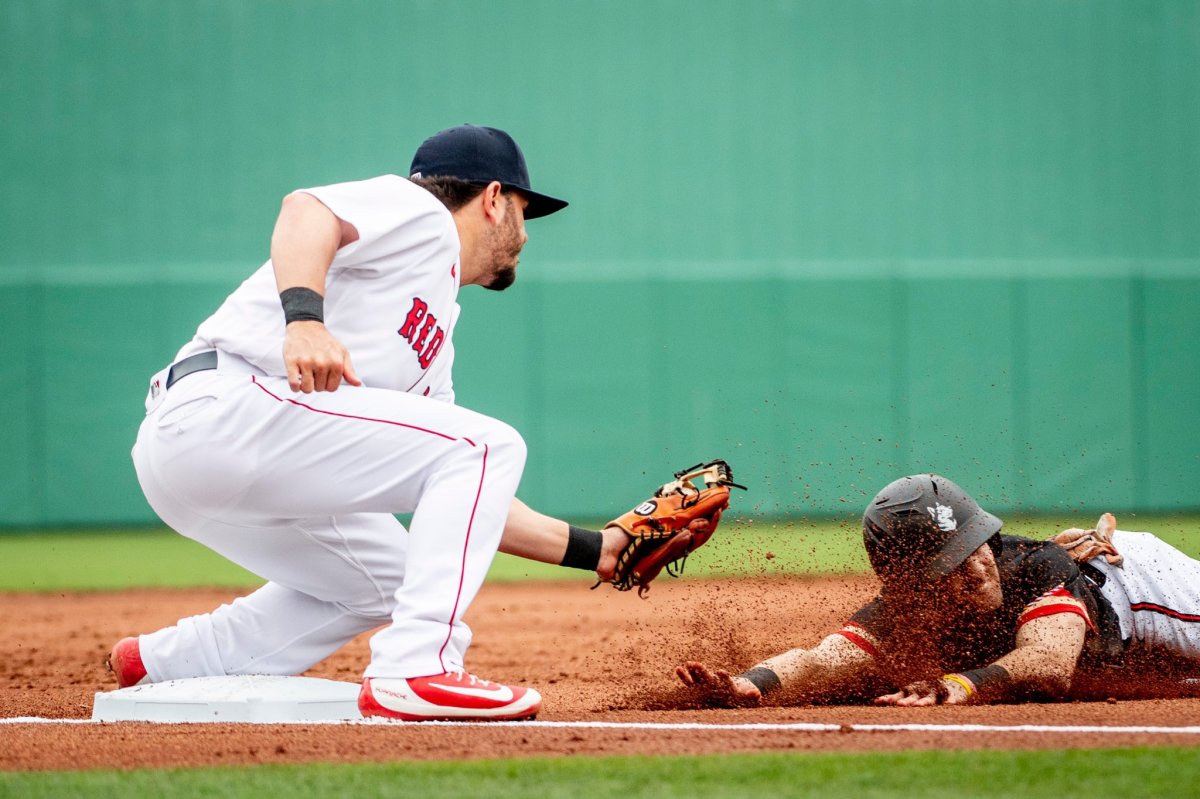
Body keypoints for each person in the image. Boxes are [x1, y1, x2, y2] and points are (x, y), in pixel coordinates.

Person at [107, 124, 630, 722]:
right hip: (222, 409)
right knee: (487, 444)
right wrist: (304, 319)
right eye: (522, 208)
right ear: (491, 198)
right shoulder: (421, 215)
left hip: (216, 459)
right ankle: (416, 669)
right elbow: (305, 210)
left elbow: (469, 493)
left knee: (393, 576)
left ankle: (172, 662)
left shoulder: (434, 337)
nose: (525, 231)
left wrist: (600, 550)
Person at [677, 474, 1200, 707]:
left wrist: (961, 684)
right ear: (912, 587)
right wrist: (750, 684)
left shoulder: (1039, 565)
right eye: (950, 562)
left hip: (1148, 589)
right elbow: (820, 661)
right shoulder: (902, 613)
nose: (978, 566)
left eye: (977, 542)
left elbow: (1049, 663)